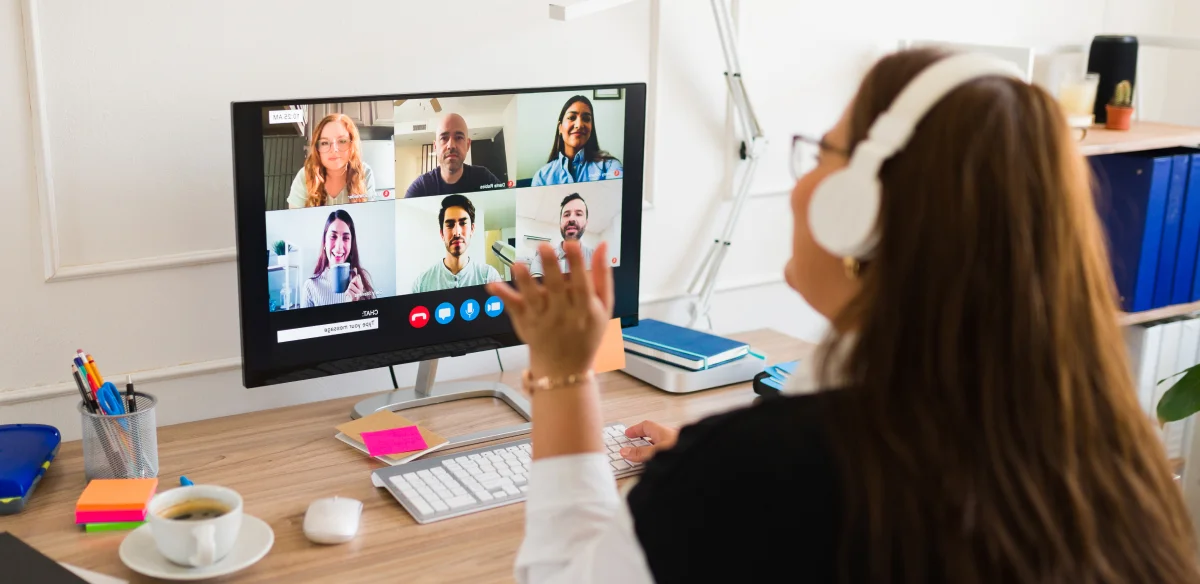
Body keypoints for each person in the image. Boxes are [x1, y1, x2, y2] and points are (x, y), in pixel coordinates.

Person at [485, 48, 1200, 583]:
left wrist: (564, 374)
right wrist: (714, 464)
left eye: (820, 154)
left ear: (860, 211)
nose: (799, 188)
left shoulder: (753, 475)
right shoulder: (1111, 455)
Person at [412, 194, 504, 293]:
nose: (457, 232)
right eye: (450, 225)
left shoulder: (489, 277)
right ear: (442, 233)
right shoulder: (421, 284)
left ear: (472, 229)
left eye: (463, 223)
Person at [287, 113, 376, 208]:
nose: (334, 149)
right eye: (325, 143)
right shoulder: (305, 176)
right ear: (317, 149)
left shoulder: (364, 173)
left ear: (352, 145)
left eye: (342, 141)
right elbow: (295, 220)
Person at [531, 95, 623, 186]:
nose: (579, 125)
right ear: (560, 127)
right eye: (571, 117)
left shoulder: (610, 167)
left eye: (586, 119)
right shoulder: (541, 177)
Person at [405, 114, 501, 198]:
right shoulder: (420, 188)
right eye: (444, 138)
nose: (451, 145)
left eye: (459, 137)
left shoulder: (484, 178)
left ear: (467, 145)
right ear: (435, 146)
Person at [301, 209, 375, 307]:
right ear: (324, 242)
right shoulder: (310, 286)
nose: (339, 247)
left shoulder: (363, 280)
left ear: (351, 244)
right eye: (333, 236)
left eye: (345, 238)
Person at [528, 193, 593, 277]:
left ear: (586, 223)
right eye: (566, 215)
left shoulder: (597, 258)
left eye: (578, 214)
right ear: (560, 223)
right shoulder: (541, 259)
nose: (571, 219)